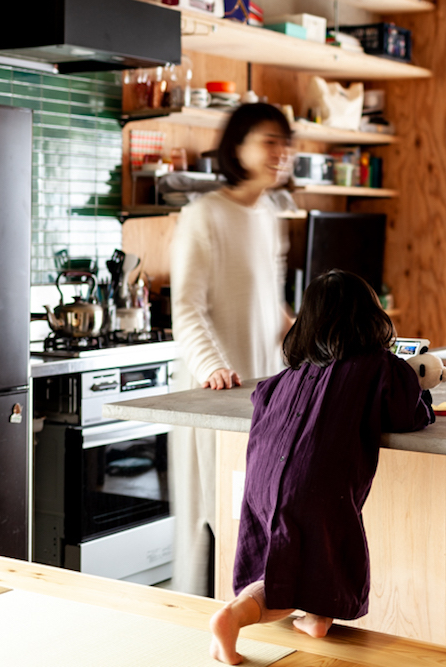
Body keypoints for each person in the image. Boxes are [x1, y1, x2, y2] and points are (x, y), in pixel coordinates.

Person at [209, 270, 436, 665]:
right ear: (371, 317)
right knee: (316, 561)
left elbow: (260, 402)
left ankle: (313, 619)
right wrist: (426, 398)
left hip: (261, 483)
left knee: (296, 559)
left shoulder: (284, 377)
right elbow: (405, 414)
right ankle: (236, 616)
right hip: (315, 488)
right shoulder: (379, 365)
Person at [169, 103, 296, 596]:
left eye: (284, 143)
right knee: (212, 517)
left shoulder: (269, 214)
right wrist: (212, 366)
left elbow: (273, 305)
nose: (280, 153)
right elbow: (186, 309)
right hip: (216, 392)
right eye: (268, 141)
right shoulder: (202, 215)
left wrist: (317, 339)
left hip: (263, 395)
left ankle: (248, 621)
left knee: (257, 515)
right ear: (237, 147)